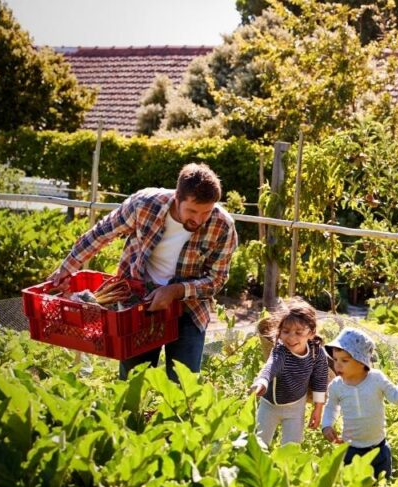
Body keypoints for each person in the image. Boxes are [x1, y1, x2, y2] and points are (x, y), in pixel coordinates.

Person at [48, 163, 238, 381]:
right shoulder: (145, 204)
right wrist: (66, 268)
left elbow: (217, 279)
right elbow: (103, 233)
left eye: (206, 212)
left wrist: (175, 291)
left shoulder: (223, 226)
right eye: (192, 211)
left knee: (183, 385)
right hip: (138, 305)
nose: (199, 219)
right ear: (177, 197)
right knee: (133, 381)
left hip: (189, 308)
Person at [321, 327, 398, 479]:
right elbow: (331, 407)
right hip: (351, 451)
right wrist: (326, 425)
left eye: (344, 360)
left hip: (378, 449)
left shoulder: (376, 379)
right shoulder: (337, 385)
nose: (337, 365)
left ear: (361, 361)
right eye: (335, 359)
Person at [248, 299, 330, 447]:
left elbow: (320, 381)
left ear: (311, 333)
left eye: (298, 332)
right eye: (285, 332)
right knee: (259, 444)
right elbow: (271, 366)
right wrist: (262, 381)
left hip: (295, 407)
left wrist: (318, 409)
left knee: (291, 447)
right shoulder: (280, 350)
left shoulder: (316, 353)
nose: (291, 338)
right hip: (269, 405)